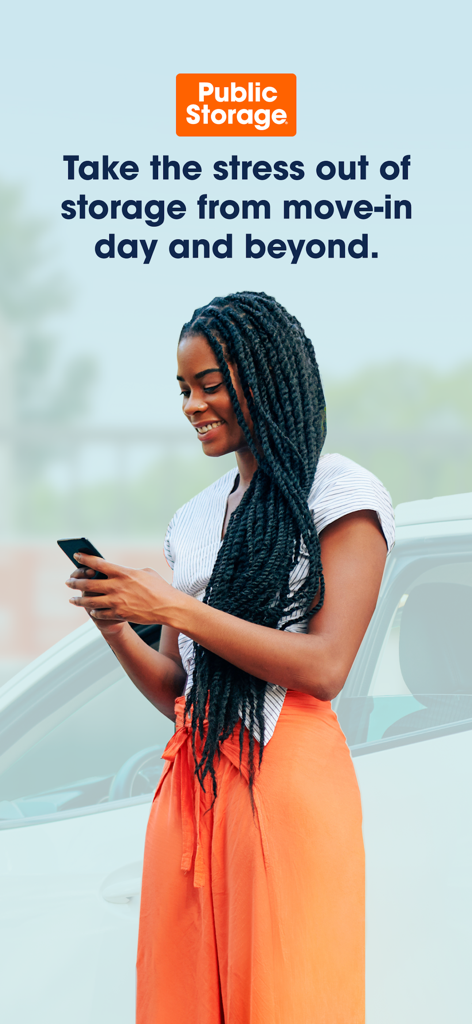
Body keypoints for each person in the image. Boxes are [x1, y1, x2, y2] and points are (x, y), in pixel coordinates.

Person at [66, 292, 394, 1024]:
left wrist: (174, 609)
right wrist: (117, 622)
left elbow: (326, 665)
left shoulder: (340, 492)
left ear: (266, 373)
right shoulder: (194, 517)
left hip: (287, 774)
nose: (192, 405)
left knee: (287, 994)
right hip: (195, 777)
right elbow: (176, 689)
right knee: (181, 994)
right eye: (183, 389)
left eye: (209, 384)